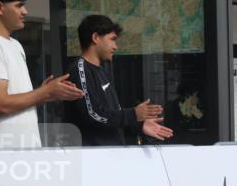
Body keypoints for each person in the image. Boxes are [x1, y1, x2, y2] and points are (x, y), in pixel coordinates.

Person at [0, 0, 83, 149]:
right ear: (0, 7)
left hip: (22, 150)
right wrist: (44, 92)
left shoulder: (15, 45)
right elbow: (1, 104)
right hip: (0, 152)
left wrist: (48, 93)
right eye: (19, 5)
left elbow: (14, 101)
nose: (25, 11)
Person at [64, 15, 173, 146]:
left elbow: (112, 117)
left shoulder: (102, 71)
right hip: (93, 155)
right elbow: (93, 114)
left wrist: (138, 125)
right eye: (112, 39)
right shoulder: (79, 69)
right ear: (95, 37)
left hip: (112, 153)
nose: (115, 46)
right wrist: (133, 115)